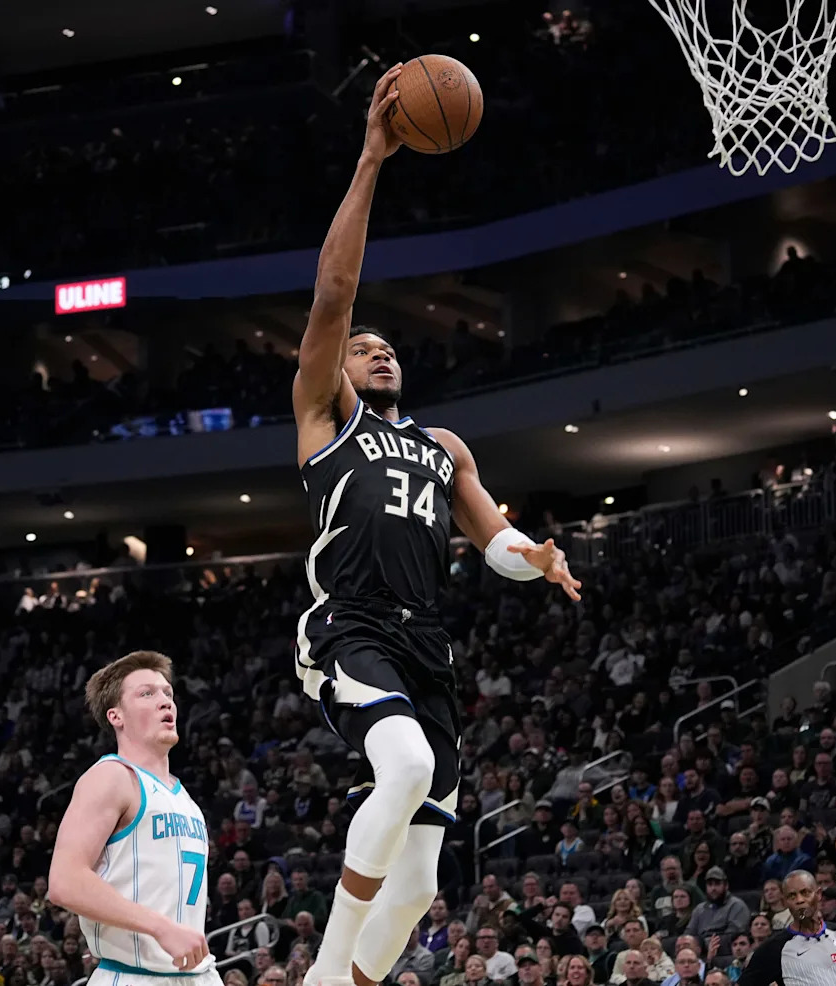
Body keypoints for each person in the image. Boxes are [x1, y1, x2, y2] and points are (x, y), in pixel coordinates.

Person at [291, 63, 582, 986]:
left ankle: (352, 981)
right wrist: (373, 158)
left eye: (387, 348)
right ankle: (323, 976)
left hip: (426, 645)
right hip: (351, 625)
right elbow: (334, 294)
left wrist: (536, 557)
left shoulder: (443, 444)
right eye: (362, 348)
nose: (377, 352)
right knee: (406, 766)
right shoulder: (328, 419)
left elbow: (494, 543)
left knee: (418, 885)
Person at [47, 651, 215, 981]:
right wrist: (160, 928)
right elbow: (64, 882)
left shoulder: (184, 798)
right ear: (116, 716)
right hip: (133, 975)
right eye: (146, 694)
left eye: (168, 693)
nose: (165, 702)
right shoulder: (111, 777)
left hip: (197, 975)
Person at [740, 870, 836, 986]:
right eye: (792, 896)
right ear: (785, 902)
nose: (800, 900)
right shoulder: (775, 947)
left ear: (818, 894)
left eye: (805, 893)